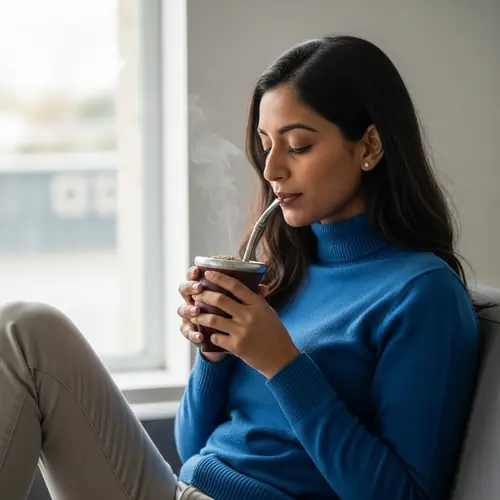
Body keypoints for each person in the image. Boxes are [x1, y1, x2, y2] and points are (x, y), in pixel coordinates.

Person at [0, 35, 478, 500]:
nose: (271, 170)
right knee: (24, 329)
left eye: (298, 146)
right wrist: (213, 353)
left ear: (370, 145)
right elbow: (193, 447)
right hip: (184, 490)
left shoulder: (421, 294)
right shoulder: (282, 273)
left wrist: (282, 363)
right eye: (265, 144)